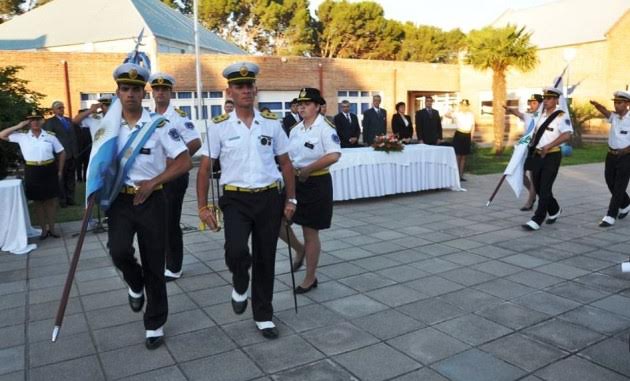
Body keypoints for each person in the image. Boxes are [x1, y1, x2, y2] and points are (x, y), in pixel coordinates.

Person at [196, 62, 296, 340]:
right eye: (239, 86)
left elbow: (286, 164)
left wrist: (291, 199)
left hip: (268, 198)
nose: (245, 90)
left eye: (249, 86)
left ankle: (263, 315)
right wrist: (203, 207)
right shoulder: (218, 127)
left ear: (256, 89)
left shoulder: (272, 124)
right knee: (237, 250)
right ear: (229, 91)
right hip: (236, 200)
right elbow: (205, 168)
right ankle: (241, 281)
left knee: (266, 258)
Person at [105, 63, 192, 349]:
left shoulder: (160, 125)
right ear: (118, 92)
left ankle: (154, 323)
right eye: (125, 89)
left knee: (155, 261)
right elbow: (96, 165)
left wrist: (155, 182)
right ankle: (135, 281)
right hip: (120, 199)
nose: (130, 95)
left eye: (135, 90)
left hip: (153, 199)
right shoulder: (107, 127)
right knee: (118, 251)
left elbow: (183, 161)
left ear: (144, 93)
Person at [149, 72, 202, 281]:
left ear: (170, 92)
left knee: (170, 221)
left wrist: (176, 160)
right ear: (152, 92)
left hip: (174, 177)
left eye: (164, 89)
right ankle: (161, 261)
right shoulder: (149, 117)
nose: (160, 93)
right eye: (157, 89)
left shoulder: (178, 116)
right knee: (156, 222)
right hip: (155, 176)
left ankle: (174, 267)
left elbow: (195, 142)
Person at [288, 88, 341, 293]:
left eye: (307, 104)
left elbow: (334, 155)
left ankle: (310, 278)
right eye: (300, 104)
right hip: (295, 182)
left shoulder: (325, 127)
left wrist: (308, 169)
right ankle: (298, 249)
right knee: (277, 221)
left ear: (318, 106)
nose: (302, 107)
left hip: (316, 183)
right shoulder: (295, 129)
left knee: (310, 231)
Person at [0, 112, 66, 239]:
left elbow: (62, 152)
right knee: (38, 202)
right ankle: (43, 230)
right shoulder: (22, 136)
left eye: (37, 119)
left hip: (49, 169)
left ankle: (52, 229)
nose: (34, 122)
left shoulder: (50, 136)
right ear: (28, 123)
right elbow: (2, 135)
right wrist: (18, 126)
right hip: (32, 170)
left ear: (42, 121)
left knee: (51, 201)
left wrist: (60, 170)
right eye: (31, 120)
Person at [523, 87, 572, 231]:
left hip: (552, 155)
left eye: (549, 98)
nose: (546, 100)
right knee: (538, 187)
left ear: (556, 100)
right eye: (545, 98)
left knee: (545, 188)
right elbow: (535, 132)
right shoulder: (540, 115)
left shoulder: (561, 116)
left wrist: (549, 146)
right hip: (538, 154)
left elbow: (567, 135)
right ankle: (555, 209)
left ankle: (537, 219)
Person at [590, 91, 630, 227]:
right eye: (615, 102)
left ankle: (611, 215)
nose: (616, 105)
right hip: (611, 155)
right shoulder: (614, 116)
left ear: (627, 104)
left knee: (619, 185)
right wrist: (597, 106)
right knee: (609, 181)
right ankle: (625, 202)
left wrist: (627, 150)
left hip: (626, 157)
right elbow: (605, 112)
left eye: (619, 103)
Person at [505, 93, 543, 211]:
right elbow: (518, 113)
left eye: (534, 103)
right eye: (530, 103)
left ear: (541, 104)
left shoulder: (543, 118)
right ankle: (534, 193)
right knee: (520, 173)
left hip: (536, 149)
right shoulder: (528, 116)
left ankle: (530, 200)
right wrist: (509, 109)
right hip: (525, 148)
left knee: (533, 176)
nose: (531, 105)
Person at [43, 100, 78, 207]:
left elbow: (73, 136)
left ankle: (71, 199)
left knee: (71, 178)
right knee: (61, 178)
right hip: (60, 155)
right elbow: (49, 139)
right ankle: (62, 201)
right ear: (53, 110)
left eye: (62, 107)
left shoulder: (68, 120)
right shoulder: (50, 122)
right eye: (59, 108)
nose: (61, 109)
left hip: (72, 153)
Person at [448, 99, 475, 181]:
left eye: (466, 105)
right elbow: (446, 115)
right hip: (459, 134)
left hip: (467, 135)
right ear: (460, 105)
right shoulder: (457, 114)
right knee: (458, 156)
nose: (464, 107)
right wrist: (454, 109)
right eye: (462, 105)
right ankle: (455, 175)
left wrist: (471, 137)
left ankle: (461, 175)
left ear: (468, 106)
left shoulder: (471, 114)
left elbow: (473, 126)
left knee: (464, 156)